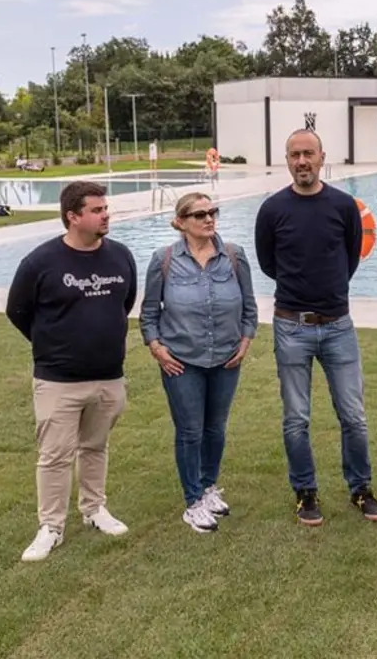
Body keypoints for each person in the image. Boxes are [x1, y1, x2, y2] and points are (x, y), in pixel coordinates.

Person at [254, 128, 377, 526]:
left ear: (321, 156)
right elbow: (268, 264)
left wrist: (329, 293)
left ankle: (360, 489)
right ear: (287, 160)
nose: (302, 161)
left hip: (338, 326)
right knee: (297, 417)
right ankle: (305, 492)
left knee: (353, 415)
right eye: (294, 154)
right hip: (291, 326)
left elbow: (350, 258)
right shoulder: (272, 209)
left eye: (308, 153)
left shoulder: (343, 205)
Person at [6, 180, 137, 562]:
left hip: (109, 375)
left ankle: (94, 509)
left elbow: (124, 303)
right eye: (97, 210)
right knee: (55, 455)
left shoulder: (121, 256)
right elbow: (18, 311)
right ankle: (51, 526)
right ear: (73, 217)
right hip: (58, 380)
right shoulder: (40, 262)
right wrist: (52, 344)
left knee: (95, 447)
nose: (106, 214)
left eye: (105, 208)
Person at [140, 192, 257, 534]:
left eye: (212, 212)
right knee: (190, 431)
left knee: (215, 429)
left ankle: (207, 488)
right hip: (181, 361)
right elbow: (149, 314)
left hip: (225, 358)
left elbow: (249, 306)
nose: (209, 219)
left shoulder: (233, 256)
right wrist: (156, 348)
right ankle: (193, 501)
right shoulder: (163, 260)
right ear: (180, 222)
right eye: (199, 214)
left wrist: (246, 340)